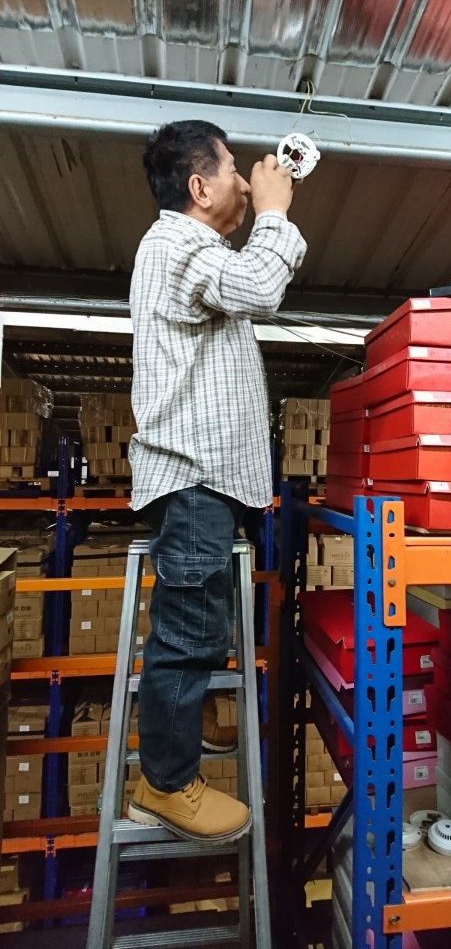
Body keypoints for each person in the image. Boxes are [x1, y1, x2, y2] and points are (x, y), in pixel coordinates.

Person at [127, 120, 307, 841]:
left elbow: (247, 280)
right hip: (194, 476)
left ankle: (186, 723)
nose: (243, 180)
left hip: (205, 479)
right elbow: (263, 286)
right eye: (232, 170)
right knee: (188, 631)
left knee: (199, 620)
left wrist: (265, 211)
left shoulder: (197, 252)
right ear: (199, 187)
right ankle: (165, 783)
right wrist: (275, 211)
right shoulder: (177, 244)